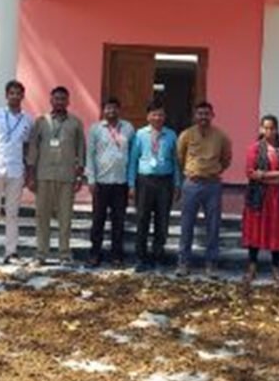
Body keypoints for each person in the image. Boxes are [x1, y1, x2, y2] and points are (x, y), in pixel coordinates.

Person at [26, 86, 86, 266]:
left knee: (65, 218)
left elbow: (80, 150)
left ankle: (64, 254)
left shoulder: (75, 123)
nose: (59, 102)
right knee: (42, 216)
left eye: (63, 99)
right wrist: (30, 174)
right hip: (43, 175)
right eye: (56, 98)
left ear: (68, 101)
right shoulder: (41, 121)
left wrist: (79, 176)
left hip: (66, 177)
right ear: (51, 101)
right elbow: (33, 148)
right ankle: (41, 254)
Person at [0, 80, 33, 269]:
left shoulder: (27, 119)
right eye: (11, 93)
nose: (15, 96)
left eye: (18, 93)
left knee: (12, 213)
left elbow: (26, 146)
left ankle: (11, 252)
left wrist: (28, 170)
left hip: (16, 169)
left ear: (23, 96)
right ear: (6, 95)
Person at [176, 101, 232, 278]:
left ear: (212, 115)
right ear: (195, 116)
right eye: (200, 114)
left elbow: (226, 159)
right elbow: (180, 156)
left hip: (212, 185)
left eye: (206, 114)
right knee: (187, 225)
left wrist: (212, 172)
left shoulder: (221, 137)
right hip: (192, 184)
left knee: (213, 225)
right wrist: (193, 172)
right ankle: (184, 262)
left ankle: (211, 264)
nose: (203, 117)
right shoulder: (186, 135)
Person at [128, 100, 181, 271]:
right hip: (144, 181)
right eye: (154, 114)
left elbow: (176, 162)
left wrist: (177, 184)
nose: (157, 117)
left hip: (165, 182)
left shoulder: (171, 135)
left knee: (162, 220)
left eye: (161, 114)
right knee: (142, 219)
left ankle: (158, 256)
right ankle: (140, 258)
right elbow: (133, 161)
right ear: (148, 116)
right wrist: (131, 184)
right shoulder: (140, 134)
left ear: (165, 117)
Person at [242, 114, 279, 286]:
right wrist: (273, 177)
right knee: (255, 229)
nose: (268, 131)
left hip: (277, 197)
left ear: (276, 129)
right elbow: (250, 172)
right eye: (265, 127)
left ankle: (276, 268)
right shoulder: (254, 148)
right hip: (258, 196)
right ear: (261, 129)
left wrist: (263, 175)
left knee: (275, 231)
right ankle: (252, 267)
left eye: (271, 128)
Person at [85, 97, 135, 268]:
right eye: (108, 108)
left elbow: (133, 157)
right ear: (103, 110)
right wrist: (91, 179)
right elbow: (90, 156)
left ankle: (117, 256)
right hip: (101, 182)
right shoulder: (95, 129)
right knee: (98, 220)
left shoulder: (128, 128)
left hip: (120, 184)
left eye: (114, 108)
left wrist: (130, 183)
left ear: (119, 110)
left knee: (118, 221)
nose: (111, 111)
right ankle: (94, 254)